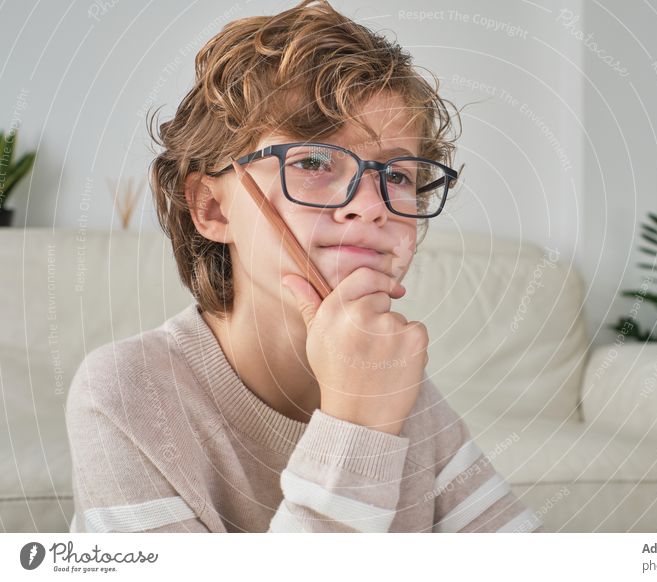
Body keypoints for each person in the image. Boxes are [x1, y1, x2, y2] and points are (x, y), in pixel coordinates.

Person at [66, 0, 543, 533]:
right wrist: (357, 424)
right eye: (312, 162)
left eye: (401, 176)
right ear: (212, 208)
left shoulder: (397, 385)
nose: (372, 204)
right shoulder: (124, 396)